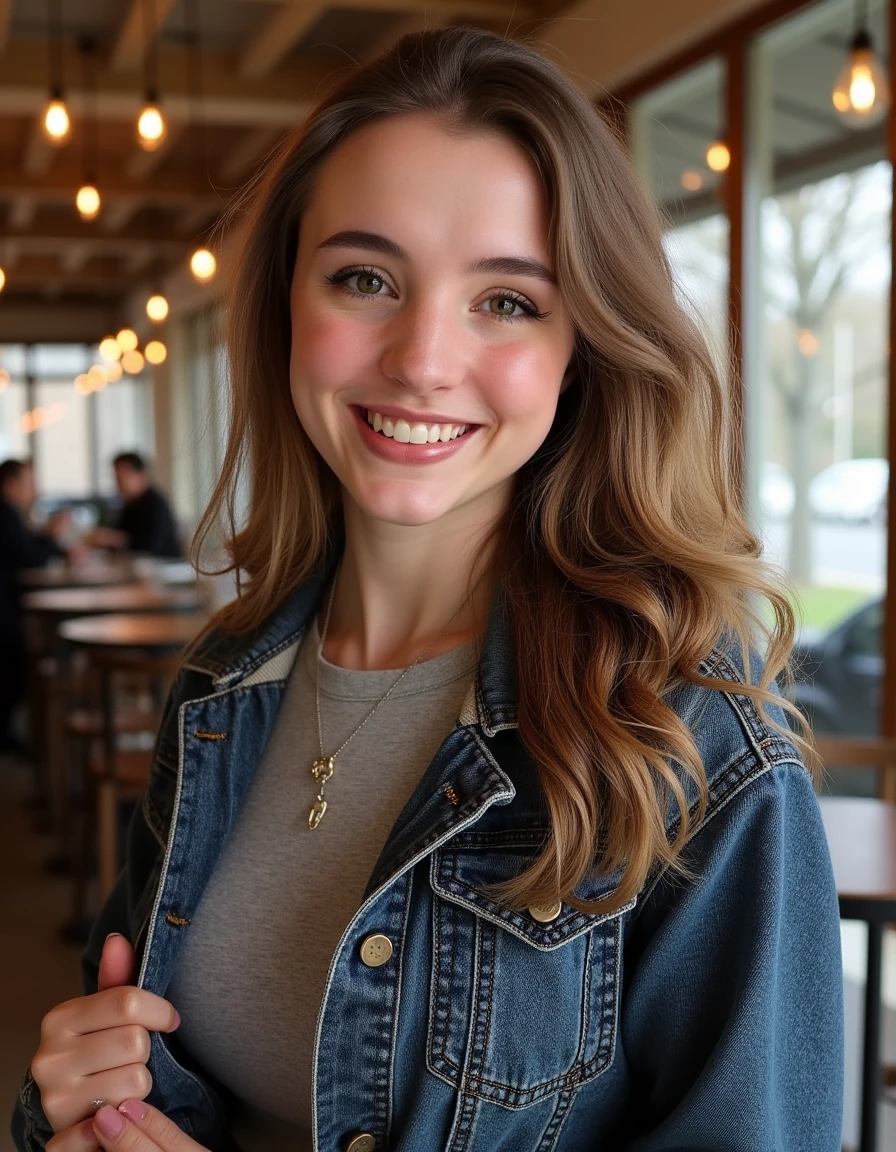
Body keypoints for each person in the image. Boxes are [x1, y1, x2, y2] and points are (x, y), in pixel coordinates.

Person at [13, 28, 844, 1152]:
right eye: (365, 278)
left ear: (580, 347)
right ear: (285, 309)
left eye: (506, 300)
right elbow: (133, 1075)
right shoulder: (223, 679)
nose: (417, 358)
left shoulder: (690, 739)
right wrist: (66, 1106)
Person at [0, 458, 69, 753]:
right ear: (11, 484)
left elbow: (25, 547)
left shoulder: (10, 514)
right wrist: (53, 537)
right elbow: (30, 556)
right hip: (4, 610)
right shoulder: (5, 514)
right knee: (12, 669)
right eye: (30, 483)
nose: (35, 490)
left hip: (9, 604)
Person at [88, 452, 182, 559]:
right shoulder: (130, 504)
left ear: (142, 475)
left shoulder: (155, 505)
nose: (120, 483)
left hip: (163, 568)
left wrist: (113, 539)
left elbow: (150, 546)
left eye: (125, 476)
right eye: (117, 477)